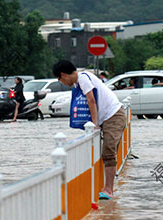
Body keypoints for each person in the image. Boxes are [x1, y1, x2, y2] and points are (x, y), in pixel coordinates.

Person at [53, 60, 126, 200]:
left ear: (63, 75)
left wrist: (95, 124)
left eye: (60, 79)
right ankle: (104, 186)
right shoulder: (81, 79)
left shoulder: (83, 79)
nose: (62, 82)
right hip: (107, 117)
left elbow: (91, 100)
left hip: (113, 115)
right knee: (105, 151)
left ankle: (109, 190)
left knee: (108, 150)